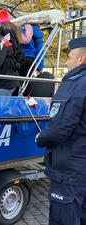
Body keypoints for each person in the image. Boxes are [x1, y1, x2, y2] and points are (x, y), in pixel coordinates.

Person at [36, 37, 86, 225]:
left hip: (70, 170)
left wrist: (40, 138)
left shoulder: (75, 84)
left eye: (69, 57)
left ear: (81, 59)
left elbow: (58, 130)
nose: (66, 62)